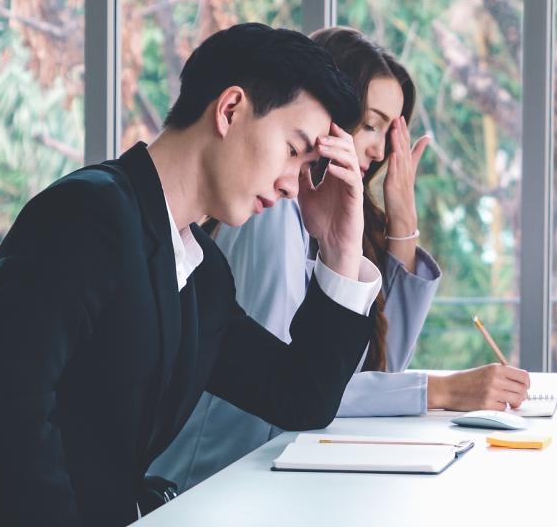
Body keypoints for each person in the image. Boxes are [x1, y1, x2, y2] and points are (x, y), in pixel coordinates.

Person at [0, 23, 380, 526]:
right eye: (294, 150)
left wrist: (339, 245)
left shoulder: (201, 274)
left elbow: (298, 396)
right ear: (230, 110)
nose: (294, 185)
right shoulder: (85, 216)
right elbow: (7, 428)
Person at [150, 27, 529, 491]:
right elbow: (283, 387)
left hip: (260, 476)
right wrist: (442, 390)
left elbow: (357, 373)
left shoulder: (302, 220)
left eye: (389, 133)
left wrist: (394, 223)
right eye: (370, 124)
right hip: (214, 480)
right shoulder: (266, 211)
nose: (380, 149)